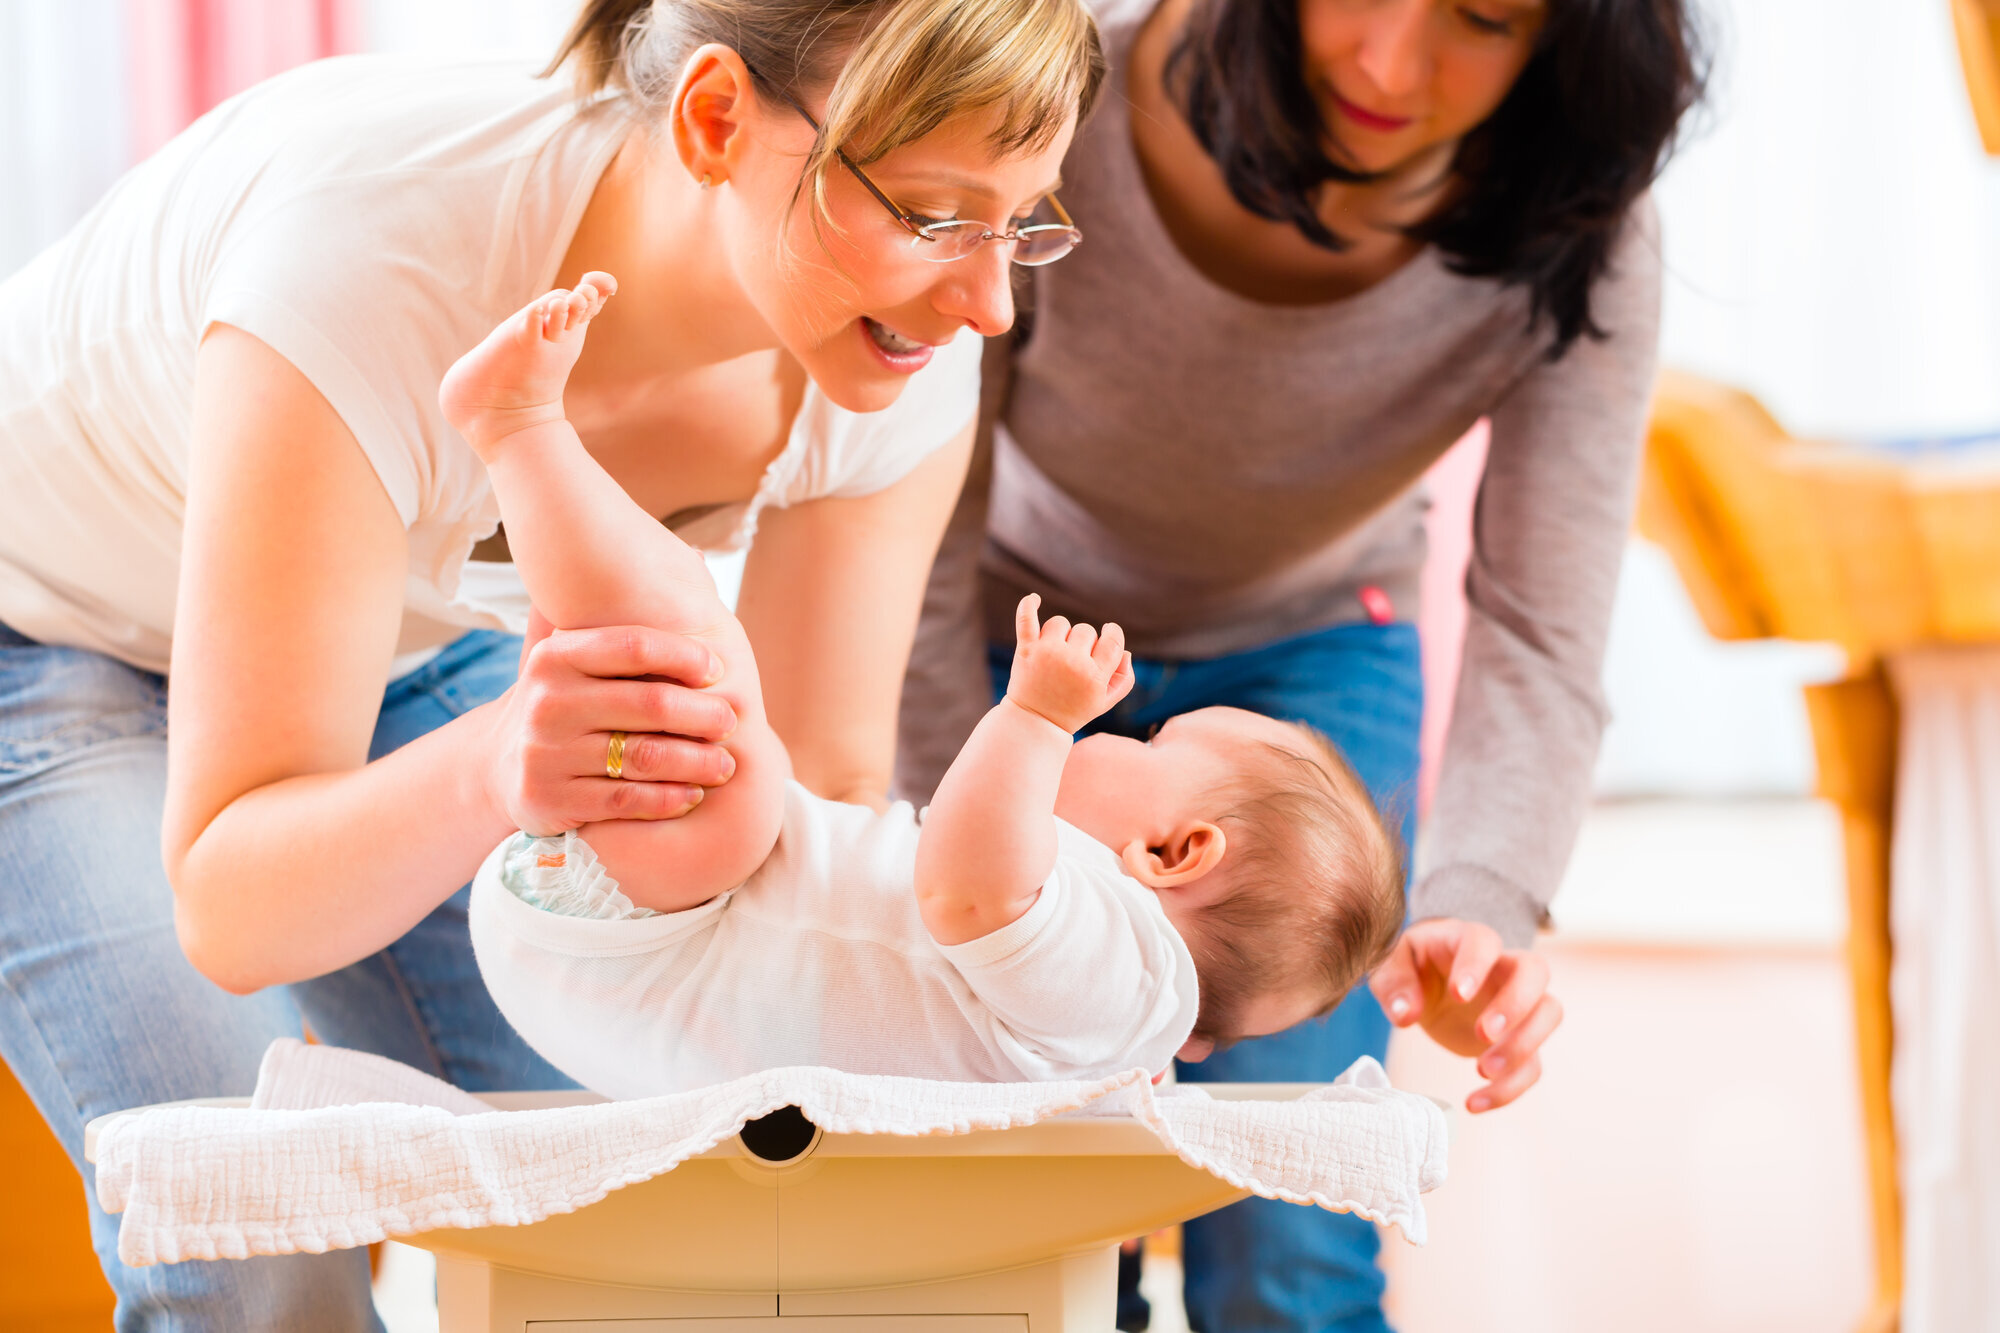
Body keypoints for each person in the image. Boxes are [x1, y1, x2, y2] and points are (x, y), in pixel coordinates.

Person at [0, 0, 1105, 1323]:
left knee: (630, 1192)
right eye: (934, 214)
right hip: (41, 631)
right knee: (263, 1246)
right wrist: (487, 766)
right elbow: (235, 916)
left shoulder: (897, 351)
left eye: (1024, 220)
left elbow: (813, 812)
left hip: (403, 643)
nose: (988, 302)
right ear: (712, 121)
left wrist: (1008, 1028)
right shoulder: (382, 252)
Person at [895, 0, 1706, 1326]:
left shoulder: (1582, 227)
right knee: (987, 1192)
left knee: (1292, 1240)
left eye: (1484, 19)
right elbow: (911, 525)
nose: (1391, 66)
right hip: (1016, 659)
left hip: (1312, 662)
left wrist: (1481, 904)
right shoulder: (1062, 106)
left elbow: (1543, 620)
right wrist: (939, 835)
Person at [441, 272, 1405, 1095]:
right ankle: (566, 588)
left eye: (1152, 746)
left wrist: (1035, 717)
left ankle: (516, 427)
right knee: (695, 714)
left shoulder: (1124, 973)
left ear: (1174, 852)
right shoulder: (1107, 1024)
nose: (1120, 733)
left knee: (707, 682)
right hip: (640, 957)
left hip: (646, 950)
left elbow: (969, 890)